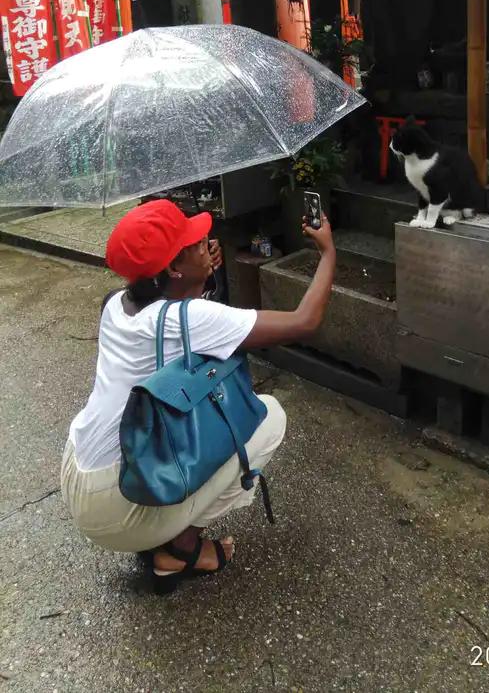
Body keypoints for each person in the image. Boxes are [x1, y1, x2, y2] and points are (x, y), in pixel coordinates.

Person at [61, 199, 336, 593]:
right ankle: (180, 551)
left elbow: (179, 328)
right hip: (111, 503)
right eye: (192, 242)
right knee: (268, 419)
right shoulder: (190, 318)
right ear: (172, 268)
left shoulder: (116, 305)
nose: (206, 240)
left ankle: (161, 529)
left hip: (79, 472)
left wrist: (198, 276)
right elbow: (304, 321)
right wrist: (328, 252)